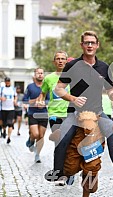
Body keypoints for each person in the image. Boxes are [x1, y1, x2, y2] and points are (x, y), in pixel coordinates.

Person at [51, 30, 113, 197]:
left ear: (97, 45)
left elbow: (111, 89)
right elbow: (59, 89)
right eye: (86, 42)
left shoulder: (104, 67)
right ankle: (59, 172)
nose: (89, 45)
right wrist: (72, 98)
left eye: (92, 43)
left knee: (112, 131)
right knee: (62, 137)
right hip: (75, 113)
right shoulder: (73, 66)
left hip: (97, 113)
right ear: (81, 45)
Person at [40, 51, 73, 182]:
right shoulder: (48, 78)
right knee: (59, 141)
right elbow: (43, 94)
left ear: (66, 61)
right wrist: (41, 100)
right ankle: (59, 172)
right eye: (58, 59)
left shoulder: (73, 77)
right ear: (54, 62)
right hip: (54, 115)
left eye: (63, 59)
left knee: (70, 143)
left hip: (70, 114)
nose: (60, 61)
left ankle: (70, 171)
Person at [23, 68, 49, 163]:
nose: (40, 75)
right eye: (38, 73)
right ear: (35, 75)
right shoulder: (30, 87)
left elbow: (49, 100)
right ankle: (30, 140)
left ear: (43, 75)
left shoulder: (47, 86)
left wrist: (43, 103)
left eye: (42, 73)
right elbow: (25, 100)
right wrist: (35, 101)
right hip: (33, 113)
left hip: (43, 114)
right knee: (35, 134)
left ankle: (37, 155)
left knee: (41, 136)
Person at [1, 77, 17, 144]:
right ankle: (4, 130)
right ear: (5, 82)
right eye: (6, 81)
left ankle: (9, 137)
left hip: (11, 108)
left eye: (8, 81)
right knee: (3, 123)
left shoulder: (13, 88)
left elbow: (15, 96)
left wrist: (15, 100)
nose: (7, 82)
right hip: (3, 108)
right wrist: (1, 98)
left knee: (10, 123)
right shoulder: (2, 88)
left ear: (10, 82)